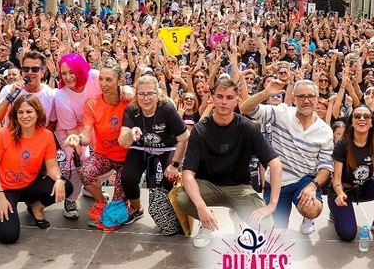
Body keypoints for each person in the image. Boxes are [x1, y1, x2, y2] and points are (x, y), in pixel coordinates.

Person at [177, 77, 282, 248]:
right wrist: (202, 208)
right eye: (220, 96)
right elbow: (188, 173)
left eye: (229, 97)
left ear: (236, 101)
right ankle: (207, 224)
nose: (224, 102)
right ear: (212, 98)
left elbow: (275, 163)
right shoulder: (201, 129)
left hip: (239, 187)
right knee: (182, 198)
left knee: (266, 226)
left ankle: (237, 215)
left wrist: (272, 205)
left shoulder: (247, 127)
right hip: (207, 185)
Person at [0, 95, 72, 243]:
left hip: (28, 184)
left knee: (66, 185)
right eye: (20, 112)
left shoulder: (46, 135)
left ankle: (36, 207)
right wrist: (0, 197)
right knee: (8, 236)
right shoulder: (2, 134)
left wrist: (59, 179)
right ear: (15, 115)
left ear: (38, 113)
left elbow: (52, 166)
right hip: (3, 188)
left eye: (29, 111)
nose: (25, 116)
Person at [239, 78, 334, 234]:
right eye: (301, 96)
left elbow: (326, 167)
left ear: (317, 99)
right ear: (293, 99)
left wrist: (312, 186)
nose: (306, 100)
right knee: (275, 234)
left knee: (312, 208)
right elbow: (245, 108)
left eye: (311, 96)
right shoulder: (281, 113)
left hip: (304, 180)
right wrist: (265, 93)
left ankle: (308, 217)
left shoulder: (325, 131)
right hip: (277, 182)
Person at [118, 75, 189, 228]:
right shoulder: (131, 110)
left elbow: (184, 138)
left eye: (150, 93)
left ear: (158, 94)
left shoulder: (167, 108)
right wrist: (131, 134)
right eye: (141, 94)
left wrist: (175, 165)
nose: (146, 98)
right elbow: (123, 142)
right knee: (128, 178)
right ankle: (137, 209)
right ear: (136, 95)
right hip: (141, 147)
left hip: (167, 147)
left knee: (168, 180)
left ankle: (171, 210)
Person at [66, 62, 131, 222]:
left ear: (119, 81)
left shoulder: (130, 99)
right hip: (104, 156)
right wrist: (78, 139)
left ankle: (124, 204)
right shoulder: (92, 104)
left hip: (129, 159)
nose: (103, 84)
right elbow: (86, 135)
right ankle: (101, 203)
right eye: (101, 79)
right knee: (85, 172)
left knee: (117, 210)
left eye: (109, 80)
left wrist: (131, 89)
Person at [330, 104, 374, 241]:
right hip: (342, 191)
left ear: (371, 123)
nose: (362, 119)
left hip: (363, 188)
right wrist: (339, 193)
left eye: (366, 116)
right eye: (357, 116)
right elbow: (336, 178)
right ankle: (336, 212)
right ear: (352, 122)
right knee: (348, 235)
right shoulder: (343, 144)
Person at [54, 53, 101, 219]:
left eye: (71, 72)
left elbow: (113, 92)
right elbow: (72, 132)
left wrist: (126, 90)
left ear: (80, 69)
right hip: (70, 130)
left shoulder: (95, 77)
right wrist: (80, 152)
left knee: (110, 155)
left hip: (94, 124)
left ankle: (90, 186)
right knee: (77, 161)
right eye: (63, 73)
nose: (67, 77)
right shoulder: (61, 96)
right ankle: (71, 199)